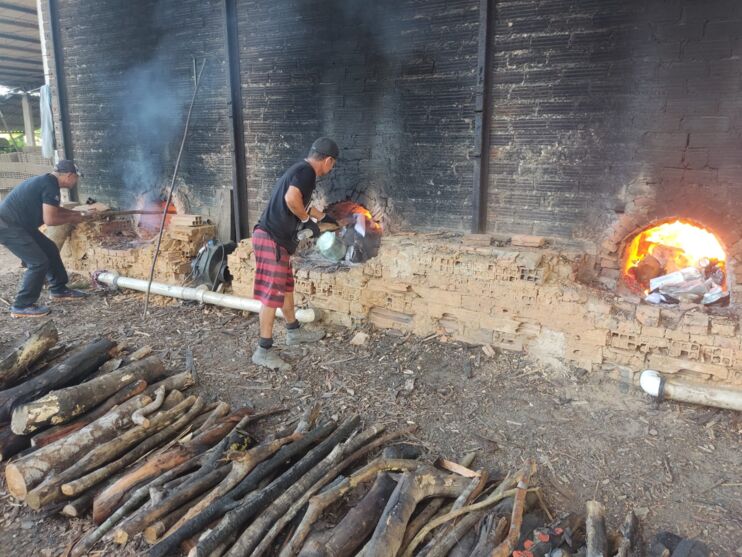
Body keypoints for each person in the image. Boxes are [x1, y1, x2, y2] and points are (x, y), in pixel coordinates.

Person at [251, 137, 340, 371]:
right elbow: (292, 200)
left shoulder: (299, 170)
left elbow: (302, 203)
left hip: (275, 241)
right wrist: (305, 221)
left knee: (285, 288)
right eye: (332, 165)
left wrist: (324, 219)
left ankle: (293, 332)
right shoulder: (307, 172)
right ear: (328, 160)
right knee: (272, 295)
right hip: (272, 239)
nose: (330, 169)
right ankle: (263, 350)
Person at [0, 160, 92, 318]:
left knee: (49, 249)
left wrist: (78, 215)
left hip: (21, 225)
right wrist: (72, 218)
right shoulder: (50, 186)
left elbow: (55, 210)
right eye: (76, 178)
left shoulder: (47, 181)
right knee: (38, 262)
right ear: (69, 175)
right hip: (9, 227)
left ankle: (59, 290)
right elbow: (50, 219)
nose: (76, 181)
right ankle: (22, 305)